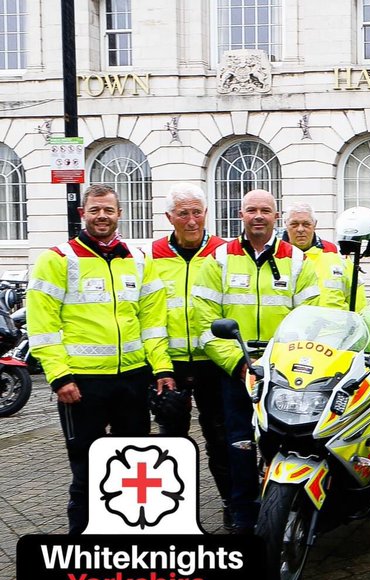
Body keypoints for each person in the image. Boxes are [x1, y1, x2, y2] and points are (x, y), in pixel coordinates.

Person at [27, 184, 175, 534]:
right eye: (95, 210)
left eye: (108, 210)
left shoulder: (138, 260)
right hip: (82, 385)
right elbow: (42, 326)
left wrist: (162, 367)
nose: (102, 216)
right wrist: (60, 377)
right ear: (83, 214)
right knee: (87, 470)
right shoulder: (58, 259)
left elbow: (153, 323)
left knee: (132, 467)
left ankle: (127, 541)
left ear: (119, 214)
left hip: (132, 381)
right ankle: (82, 546)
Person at [192, 189, 320, 534]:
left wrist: (294, 361)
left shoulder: (297, 260)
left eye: (266, 210)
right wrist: (238, 363)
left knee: (287, 439)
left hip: (285, 371)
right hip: (238, 370)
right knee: (239, 444)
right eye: (252, 210)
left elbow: (312, 317)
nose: (259, 216)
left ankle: (284, 508)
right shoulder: (217, 259)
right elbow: (204, 322)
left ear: (276, 217)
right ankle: (242, 513)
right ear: (241, 214)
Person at [145, 183, 230, 527]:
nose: (192, 220)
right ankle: (172, 514)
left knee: (222, 439)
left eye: (197, 212)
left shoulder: (225, 253)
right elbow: (147, 318)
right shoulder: (151, 256)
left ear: (206, 213)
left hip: (215, 363)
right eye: (183, 213)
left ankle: (231, 504)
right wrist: (159, 367)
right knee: (171, 443)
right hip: (171, 366)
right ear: (170, 217)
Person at [283, 203, 365, 311]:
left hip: (336, 326)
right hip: (297, 327)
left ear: (315, 224)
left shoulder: (337, 254)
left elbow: (357, 297)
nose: (300, 229)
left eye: (306, 224)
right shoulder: (276, 256)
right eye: (294, 224)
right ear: (285, 224)